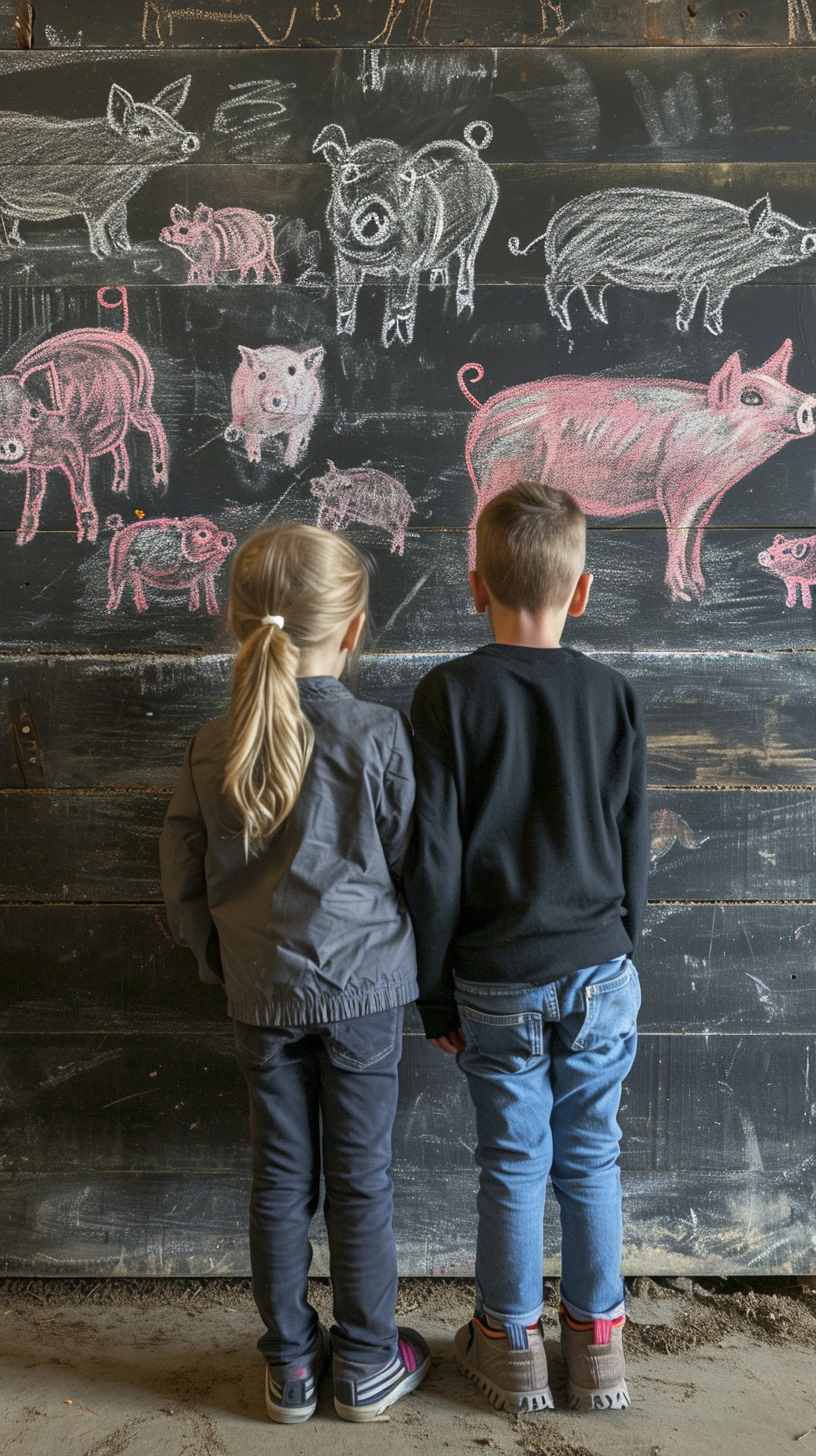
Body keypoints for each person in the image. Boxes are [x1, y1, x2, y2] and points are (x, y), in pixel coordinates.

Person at [160, 524, 430, 1424]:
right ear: (353, 630)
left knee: (279, 1178)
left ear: (233, 622)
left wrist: (222, 965)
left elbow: (182, 883)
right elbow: (411, 865)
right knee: (362, 1179)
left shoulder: (210, 747)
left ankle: (291, 1369)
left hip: (259, 993)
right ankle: (364, 1363)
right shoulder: (380, 734)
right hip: (365, 995)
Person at [404, 482, 649, 1415]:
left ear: (476, 585)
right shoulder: (614, 694)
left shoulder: (448, 695)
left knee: (513, 1161)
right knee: (591, 1158)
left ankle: (508, 1347)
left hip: (496, 979)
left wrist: (433, 996)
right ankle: (600, 1352)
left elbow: (432, 859)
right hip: (600, 965)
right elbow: (632, 843)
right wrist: (626, 948)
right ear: (582, 591)